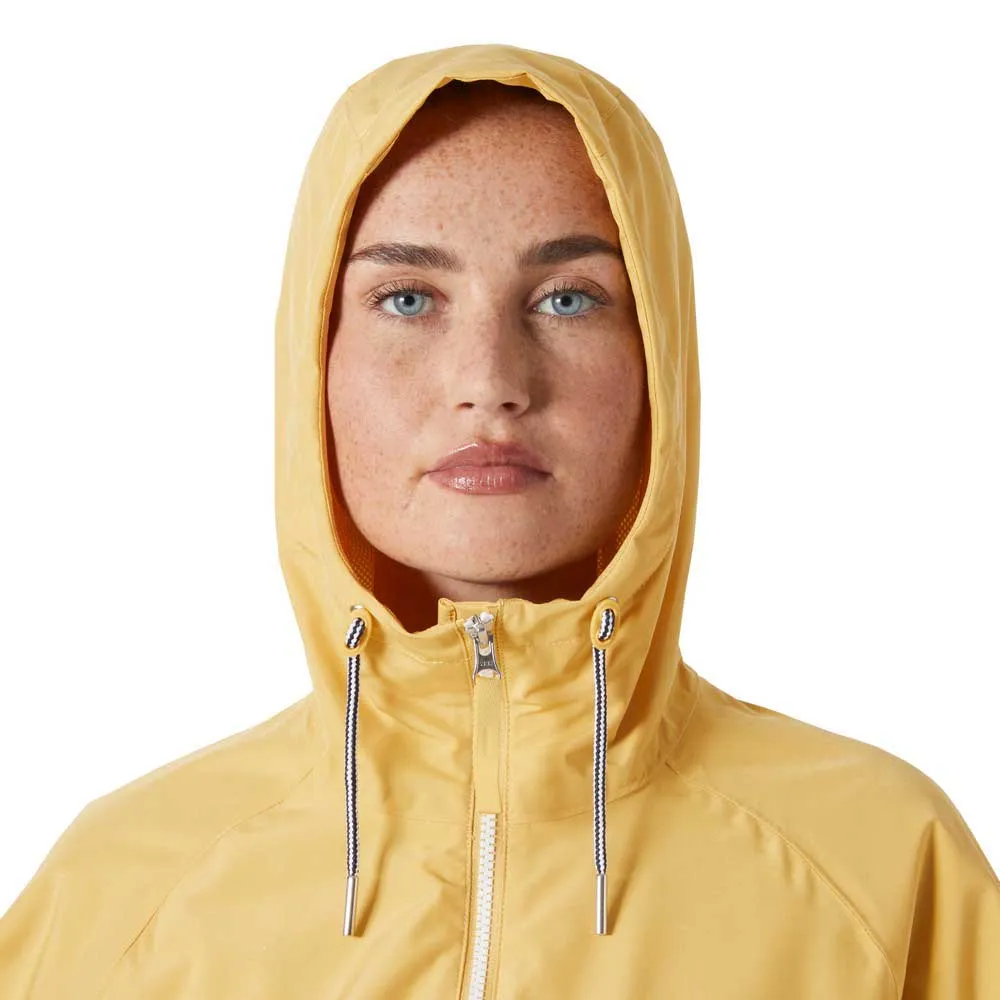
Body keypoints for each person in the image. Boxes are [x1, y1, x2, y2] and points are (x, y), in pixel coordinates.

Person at [1, 41, 997, 999]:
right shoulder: (120, 894)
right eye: (406, 298)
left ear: (661, 354)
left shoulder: (880, 865)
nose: (489, 381)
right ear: (314, 356)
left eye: (568, 299)